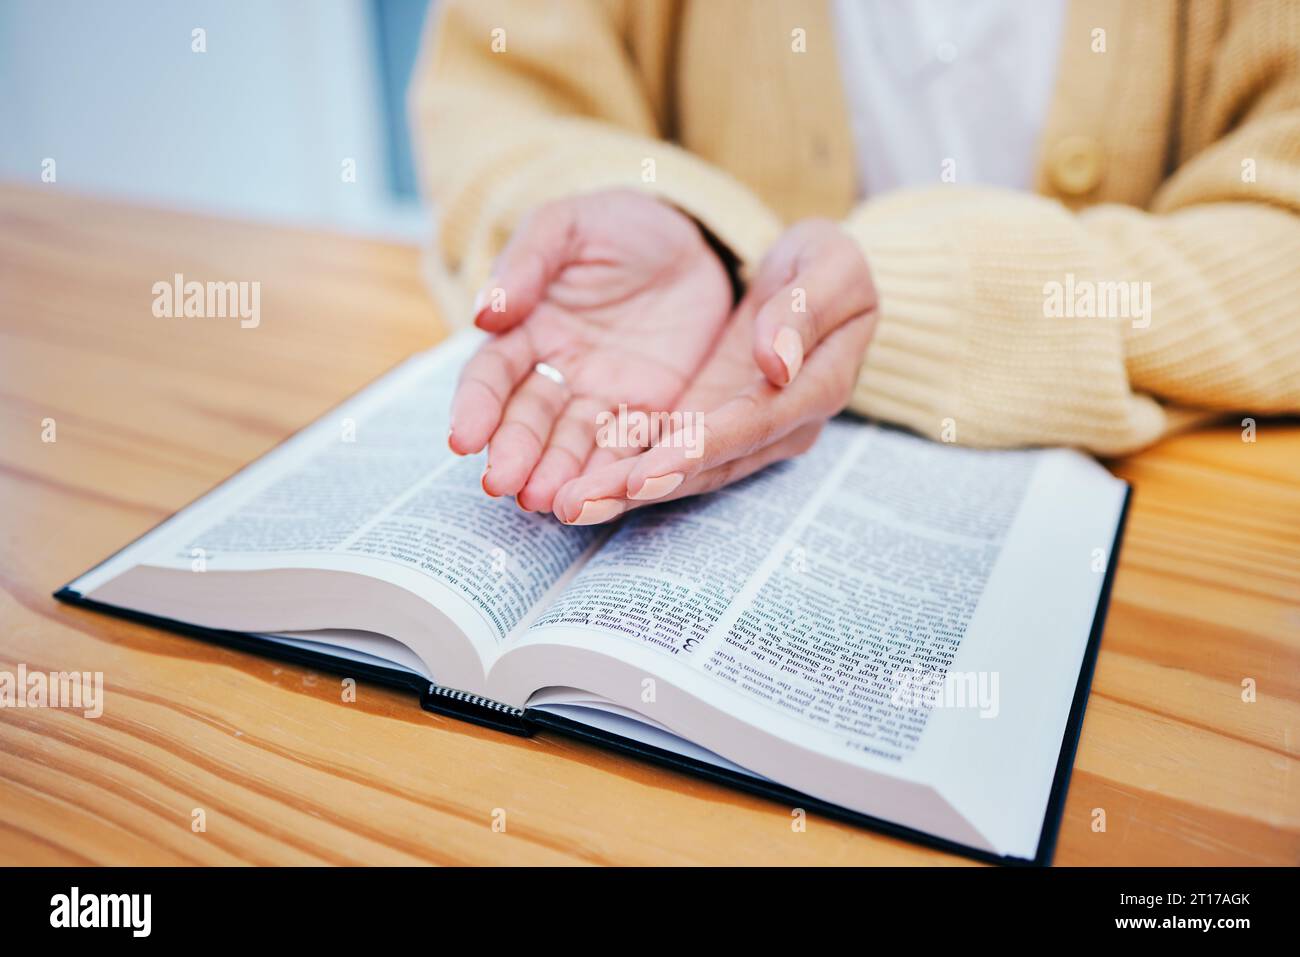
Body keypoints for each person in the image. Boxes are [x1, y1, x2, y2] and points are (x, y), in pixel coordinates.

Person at [410, 0, 1300, 525]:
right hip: (722, 396)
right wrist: (687, 224)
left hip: (1163, 523)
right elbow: (493, 99)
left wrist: (896, 296)